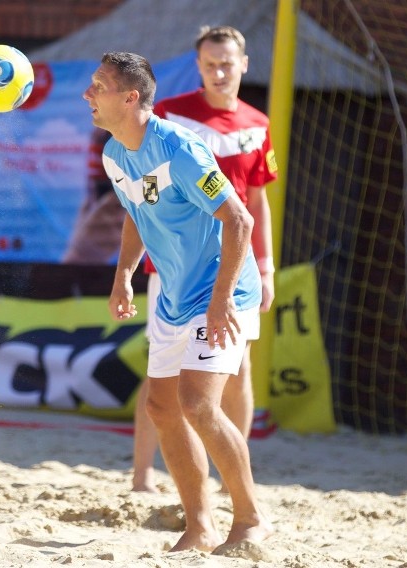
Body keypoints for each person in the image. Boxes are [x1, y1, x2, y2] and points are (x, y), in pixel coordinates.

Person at [83, 51, 273, 551]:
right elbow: (133, 212)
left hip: (222, 290)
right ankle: (201, 526)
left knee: (198, 404)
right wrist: (123, 274)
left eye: (97, 85)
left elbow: (241, 220)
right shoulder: (113, 154)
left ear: (130, 97)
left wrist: (222, 300)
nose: (88, 94)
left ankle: (250, 521)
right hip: (174, 292)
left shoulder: (180, 149)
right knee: (163, 409)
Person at [133, 25, 278, 493]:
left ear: (244, 65)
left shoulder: (257, 124)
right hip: (175, 265)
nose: (219, 71)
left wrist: (268, 266)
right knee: (163, 371)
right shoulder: (170, 118)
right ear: (198, 66)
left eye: (227, 63)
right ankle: (141, 476)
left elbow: (256, 203)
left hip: (235, 271)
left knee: (237, 371)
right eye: (210, 63)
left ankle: (231, 480)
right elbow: (145, 197)